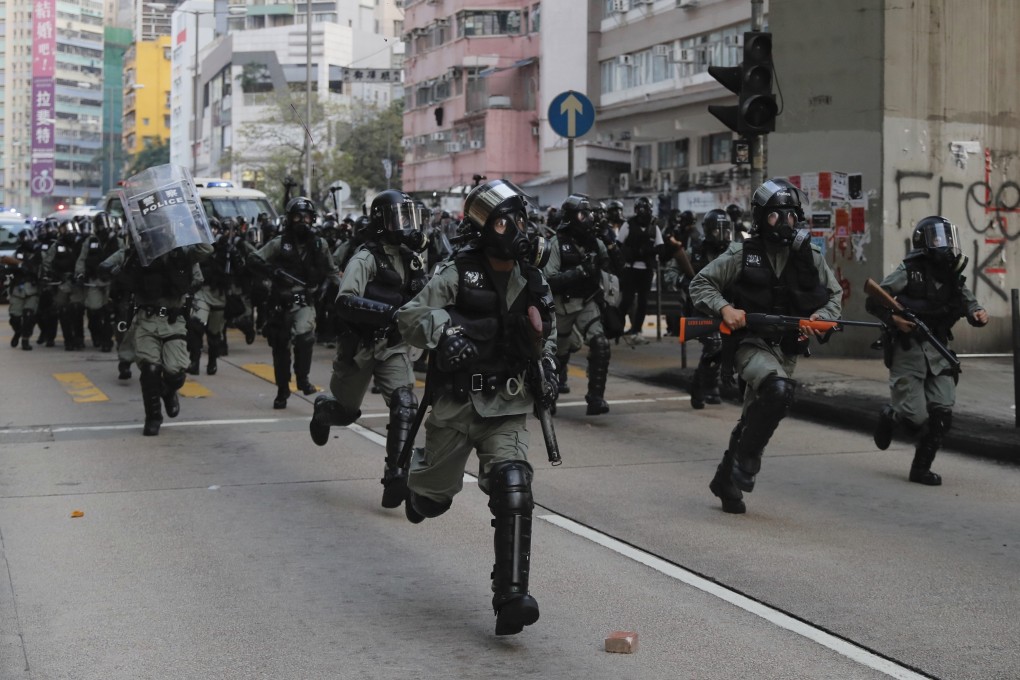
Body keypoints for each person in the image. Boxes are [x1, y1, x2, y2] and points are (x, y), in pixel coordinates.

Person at [395, 179, 559, 636]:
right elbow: (410, 317)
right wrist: (445, 333)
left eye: (521, 220)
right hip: (456, 405)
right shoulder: (457, 271)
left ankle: (510, 596)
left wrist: (546, 362)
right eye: (507, 222)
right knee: (431, 502)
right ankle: (421, 491)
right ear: (486, 229)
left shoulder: (533, 278)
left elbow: (550, 329)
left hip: (506, 404)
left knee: (514, 485)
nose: (519, 230)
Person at [689, 179, 843, 514]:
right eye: (775, 216)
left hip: (787, 348)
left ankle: (724, 479)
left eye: (790, 216)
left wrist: (821, 318)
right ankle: (747, 460)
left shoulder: (810, 255)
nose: (784, 223)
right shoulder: (742, 253)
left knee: (755, 413)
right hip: (750, 343)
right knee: (778, 391)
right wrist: (725, 309)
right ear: (761, 219)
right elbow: (700, 283)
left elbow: (835, 298)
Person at [308, 190, 429, 509]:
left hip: (393, 346)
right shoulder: (365, 257)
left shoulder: (411, 258)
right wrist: (387, 312)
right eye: (399, 218)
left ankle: (396, 475)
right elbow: (345, 301)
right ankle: (323, 412)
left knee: (405, 404)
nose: (406, 225)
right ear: (382, 222)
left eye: (409, 217)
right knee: (346, 412)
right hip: (360, 346)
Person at [867, 216, 988, 485]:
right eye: (937, 239)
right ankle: (892, 415)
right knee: (913, 419)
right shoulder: (909, 271)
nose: (944, 245)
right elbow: (875, 298)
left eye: (947, 239)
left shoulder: (953, 277)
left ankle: (920, 468)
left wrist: (978, 313)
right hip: (908, 349)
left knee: (942, 413)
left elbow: (970, 304)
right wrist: (894, 319)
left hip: (938, 349)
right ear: (924, 242)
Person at [98, 240, 212, 436]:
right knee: (150, 368)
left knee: (175, 371)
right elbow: (108, 265)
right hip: (147, 318)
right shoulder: (139, 253)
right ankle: (153, 417)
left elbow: (206, 250)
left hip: (173, 319)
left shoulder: (182, 252)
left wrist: (192, 228)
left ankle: (168, 391)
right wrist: (115, 271)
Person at [248, 197, 340, 409]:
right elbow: (253, 259)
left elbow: (331, 271)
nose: (302, 221)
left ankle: (303, 379)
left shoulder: (319, 244)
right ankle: (282, 389)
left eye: (306, 217)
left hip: (305, 302)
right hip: (280, 303)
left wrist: (348, 292)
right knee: (280, 348)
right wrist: (272, 272)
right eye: (297, 216)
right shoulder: (279, 243)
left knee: (305, 337)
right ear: (290, 219)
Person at [543, 194, 620, 415]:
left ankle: (596, 398)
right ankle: (551, 394)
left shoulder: (595, 242)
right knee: (558, 353)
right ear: (570, 217)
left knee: (601, 344)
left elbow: (618, 268)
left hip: (587, 303)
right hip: (563, 306)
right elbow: (549, 280)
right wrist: (579, 272)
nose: (588, 219)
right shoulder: (557, 245)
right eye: (582, 214)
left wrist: (611, 242)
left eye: (590, 214)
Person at [616, 196, 665, 338]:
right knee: (627, 300)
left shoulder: (654, 227)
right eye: (640, 209)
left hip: (646, 270)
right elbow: (618, 245)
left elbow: (661, 249)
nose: (643, 213)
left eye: (645, 209)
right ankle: (617, 328)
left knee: (643, 302)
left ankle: (636, 330)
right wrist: (631, 252)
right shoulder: (628, 225)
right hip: (630, 268)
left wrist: (647, 251)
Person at [74, 212, 122, 352]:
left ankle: (107, 341)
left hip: (111, 283)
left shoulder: (118, 241)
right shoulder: (89, 241)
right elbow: (82, 259)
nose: (104, 228)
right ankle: (97, 335)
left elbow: (123, 259)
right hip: (94, 281)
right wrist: (80, 274)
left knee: (109, 313)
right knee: (94, 310)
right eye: (101, 225)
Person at [2, 229, 42, 351]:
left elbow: (44, 268)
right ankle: (18, 332)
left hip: (33, 289)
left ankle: (25, 339)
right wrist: (17, 267)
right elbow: (7, 263)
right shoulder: (17, 253)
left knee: (29, 315)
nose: (29, 241)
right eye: (25, 239)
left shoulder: (39, 254)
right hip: (18, 290)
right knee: (15, 318)